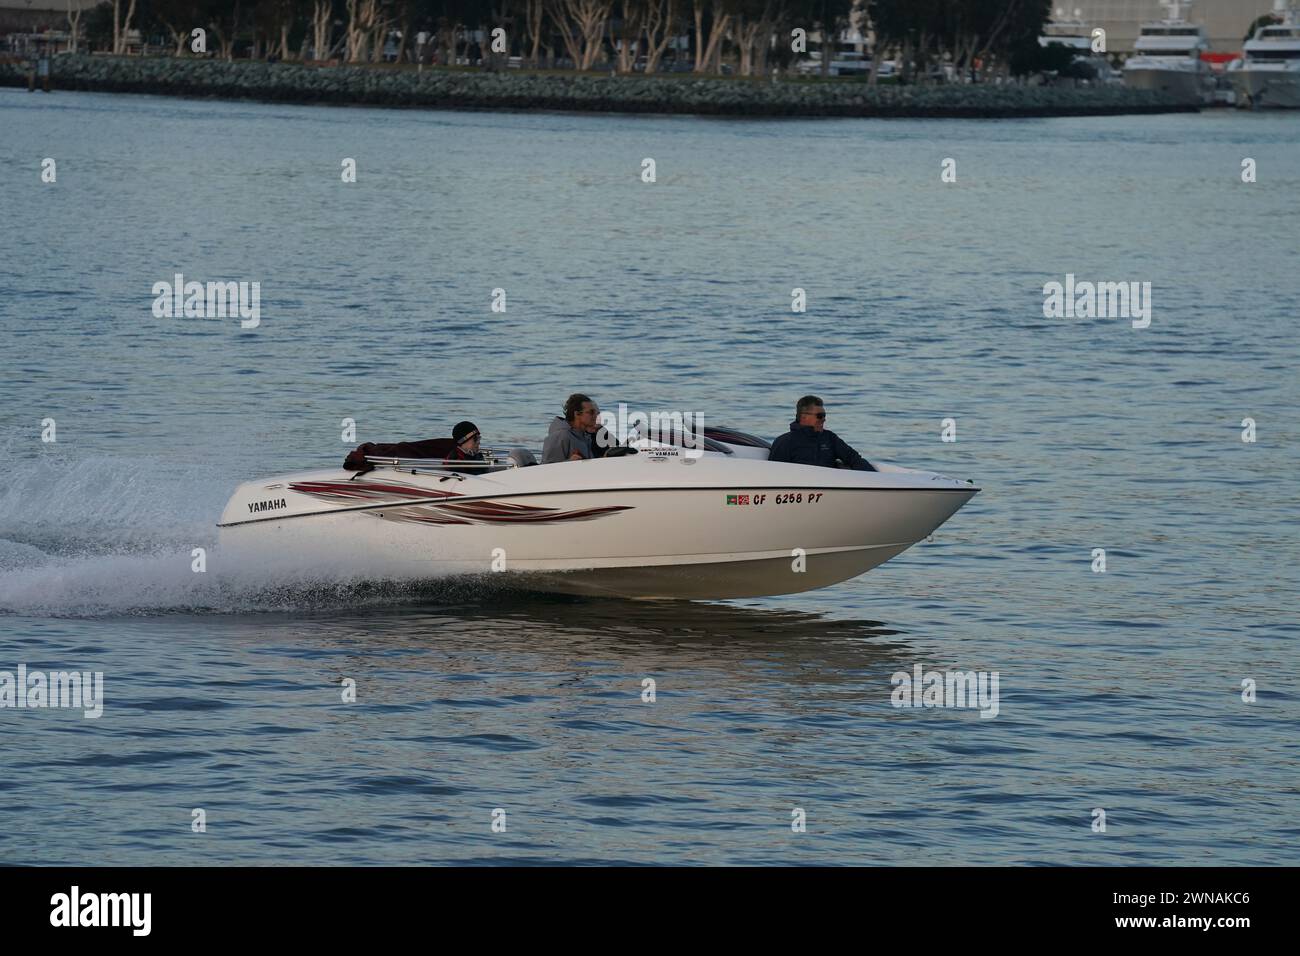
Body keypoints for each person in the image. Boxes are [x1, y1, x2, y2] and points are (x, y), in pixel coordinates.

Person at [768, 395, 875, 471]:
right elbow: (775, 473)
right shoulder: (784, 441)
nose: (823, 419)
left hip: (830, 489)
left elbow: (853, 459)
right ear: (804, 416)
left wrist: (874, 477)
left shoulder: (830, 438)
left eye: (824, 415)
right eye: (820, 416)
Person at [542, 394, 598, 464]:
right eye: (591, 412)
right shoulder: (561, 436)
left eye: (596, 413)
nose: (596, 416)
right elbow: (546, 469)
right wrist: (570, 462)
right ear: (577, 414)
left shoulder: (585, 436)